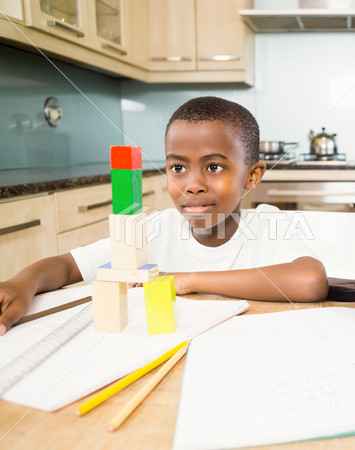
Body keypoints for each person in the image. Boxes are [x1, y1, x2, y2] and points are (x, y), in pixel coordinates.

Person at [0, 96, 328, 335]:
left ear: (252, 176)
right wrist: (22, 283)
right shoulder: (151, 229)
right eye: (178, 168)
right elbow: (69, 266)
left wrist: (184, 280)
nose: (193, 185)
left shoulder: (268, 225)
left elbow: (311, 282)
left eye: (214, 167)